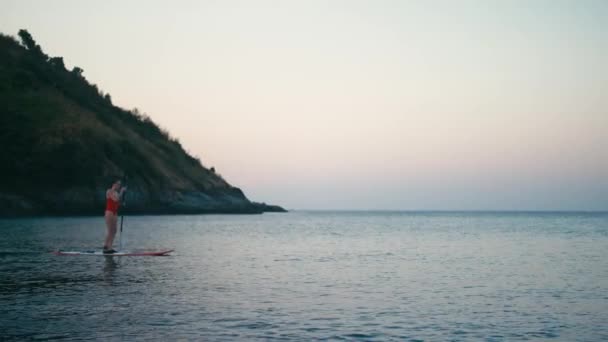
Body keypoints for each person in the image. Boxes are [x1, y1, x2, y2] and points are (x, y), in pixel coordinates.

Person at [103, 180, 127, 253]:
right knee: (110, 230)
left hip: (115, 213)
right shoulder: (109, 191)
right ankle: (105, 246)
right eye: (118, 184)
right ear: (114, 184)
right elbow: (115, 199)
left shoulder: (116, 193)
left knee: (114, 230)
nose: (119, 186)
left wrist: (122, 204)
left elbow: (117, 202)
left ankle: (110, 247)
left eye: (120, 185)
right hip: (109, 212)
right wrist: (122, 191)